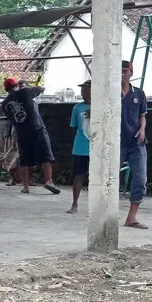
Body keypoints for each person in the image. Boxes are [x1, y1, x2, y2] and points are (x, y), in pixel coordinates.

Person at [1, 77, 59, 195]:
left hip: (21, 132)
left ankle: (26, 186)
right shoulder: (25, 92)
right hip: (37, 128)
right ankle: (48, 181)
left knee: (24, 160)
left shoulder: (5, 104)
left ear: (6, 89)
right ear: (16, 86)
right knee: (46, 156)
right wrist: (27, 88)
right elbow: (41, 88)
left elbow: (12, 120)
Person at [120, 60, 149, 229]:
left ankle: (131, 217)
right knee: (108, 178)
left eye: (125, 71)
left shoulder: (139, 93)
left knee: (140, 179)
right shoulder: (110, 92)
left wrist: (143, 129)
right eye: (119, 71)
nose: (122, 74)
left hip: (136, 142)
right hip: (116, 142)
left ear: (131, 73)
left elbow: (142, 115)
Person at [67, 80, 92, 214]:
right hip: (81, 147)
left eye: (85, 91)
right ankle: (74, 204)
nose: (83, 94)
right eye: (82, 91)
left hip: (97, 148)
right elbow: (73, 128)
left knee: (96, 179)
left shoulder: (103, 107)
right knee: (78, 176)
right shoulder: (77, 108)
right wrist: (78, 142)